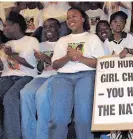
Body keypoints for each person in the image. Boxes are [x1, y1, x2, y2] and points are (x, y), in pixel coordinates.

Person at [47, 7, 105, 139]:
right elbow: (55, 64)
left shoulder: (92, 38)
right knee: (57, 120)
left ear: (83, 19)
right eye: (68, 18)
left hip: (86, 76)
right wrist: (68, 56)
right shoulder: (63, 40)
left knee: (83, 120)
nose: (70, 19)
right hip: (63, 78)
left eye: (74, 16)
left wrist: (79, 58)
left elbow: (100, 62)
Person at [100, 11, 133, 139]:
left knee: (131, 107)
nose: (118, 24)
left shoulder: (129, 37)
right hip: (114, 81)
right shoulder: (107, 42)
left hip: (130, 79)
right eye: (115, 21)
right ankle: (114, 133)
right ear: (110, 24)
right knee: (115, 108)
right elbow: (103, 62)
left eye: (121, 22)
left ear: (125, 24)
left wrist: (128, 50)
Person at [0, 12, 39, 139]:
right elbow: (4, 68)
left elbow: (32, 65)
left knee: (10, 98)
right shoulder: (7, 44)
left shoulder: (31, 41)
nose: (4, 29)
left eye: (6, 26)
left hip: (26, 76)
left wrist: (13, 54)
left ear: (16, 26)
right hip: (7, 77)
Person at [20, 18, 61, 139]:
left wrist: (47, 58)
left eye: (52, 26)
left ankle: (43, 136)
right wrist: (39, 61)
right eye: (46, 27)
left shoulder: (63, 43)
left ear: (59, 28)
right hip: (42, 75)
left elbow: (61, 66)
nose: (48, 29)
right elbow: (39, 69)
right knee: (25, 93)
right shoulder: (40, 45)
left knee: (41, 95)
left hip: (57, 75)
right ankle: (29, 135)